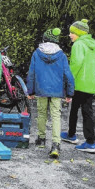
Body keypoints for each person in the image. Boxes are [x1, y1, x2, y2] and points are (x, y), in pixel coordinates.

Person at [26, 28, 75, 159]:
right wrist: (69, 93)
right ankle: (55, 144)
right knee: (56, 116)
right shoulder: (62, 55)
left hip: (41, 89)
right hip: (57, 91)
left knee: (41, 113)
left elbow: (31, 74)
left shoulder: (37, 53)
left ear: (44, 39)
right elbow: (68, 75)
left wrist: (30, 91)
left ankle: (41, 139)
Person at [61, 19, 95, 153]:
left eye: (72, 32)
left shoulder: (78, 45)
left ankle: (86, 141)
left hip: (79, 84)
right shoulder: (92, 46)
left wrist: (68, 81)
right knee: (87, 111)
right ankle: (85, 139)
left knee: (75, 109)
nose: (70, 35)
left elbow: (75, 64)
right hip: (90, 84)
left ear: (79, 33)